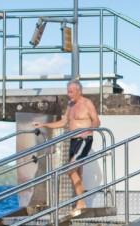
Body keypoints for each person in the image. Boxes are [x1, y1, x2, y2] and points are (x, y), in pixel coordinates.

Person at [33, 80, 101, 214]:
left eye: (71, 92)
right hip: (73, 140)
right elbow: (64, 122)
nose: (68, 94)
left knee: (70, 169)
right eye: (68, 91)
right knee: (77, 172)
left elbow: (97, 121)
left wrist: (88, 131)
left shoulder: (87, 103)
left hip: (84, 140)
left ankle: (81, 203)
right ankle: (80, 202)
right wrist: (44, 125)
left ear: (79, 91)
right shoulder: (70, 105)